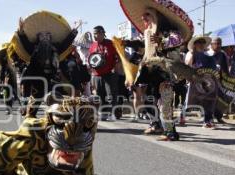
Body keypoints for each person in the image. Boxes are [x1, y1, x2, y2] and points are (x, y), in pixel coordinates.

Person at [118, 0, 194, 141]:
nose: (143, 18)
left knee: (165, 102)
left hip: (165, 72)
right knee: (149, 100)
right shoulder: (147, 33)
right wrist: (127, 43)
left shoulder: (171, 32)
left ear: (156, 16)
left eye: (147, 15)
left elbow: (178, 40)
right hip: (150, 73)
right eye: (143, 16)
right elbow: (141, 44)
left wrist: (162, 41)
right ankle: (156, 124)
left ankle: (171, 132)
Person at [185, 36, 217, 129]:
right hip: (193, 82)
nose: (201, 44)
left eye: (203, 42)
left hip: (206, 81)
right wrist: (192, 53)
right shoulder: (190, 54)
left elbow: (213, 68)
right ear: (195, 44)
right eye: (199, 42)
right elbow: (187, 65)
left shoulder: (208, 55)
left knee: (208, 100)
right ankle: (182, 117)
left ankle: (208, 121)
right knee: (189, 101)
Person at [88, 25, 119, 121]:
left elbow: (117, 57)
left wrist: (116, 69)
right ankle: (103, 113)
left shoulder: (110, 43)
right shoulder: (93, 45)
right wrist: (91, 70)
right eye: (94, 34)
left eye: (96, 33)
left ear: (102, 33)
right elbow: (90, 59)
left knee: (110, 95)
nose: (95, 36)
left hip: (109, 73)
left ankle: (112, 113)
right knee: (99, 95)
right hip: (97, 74)